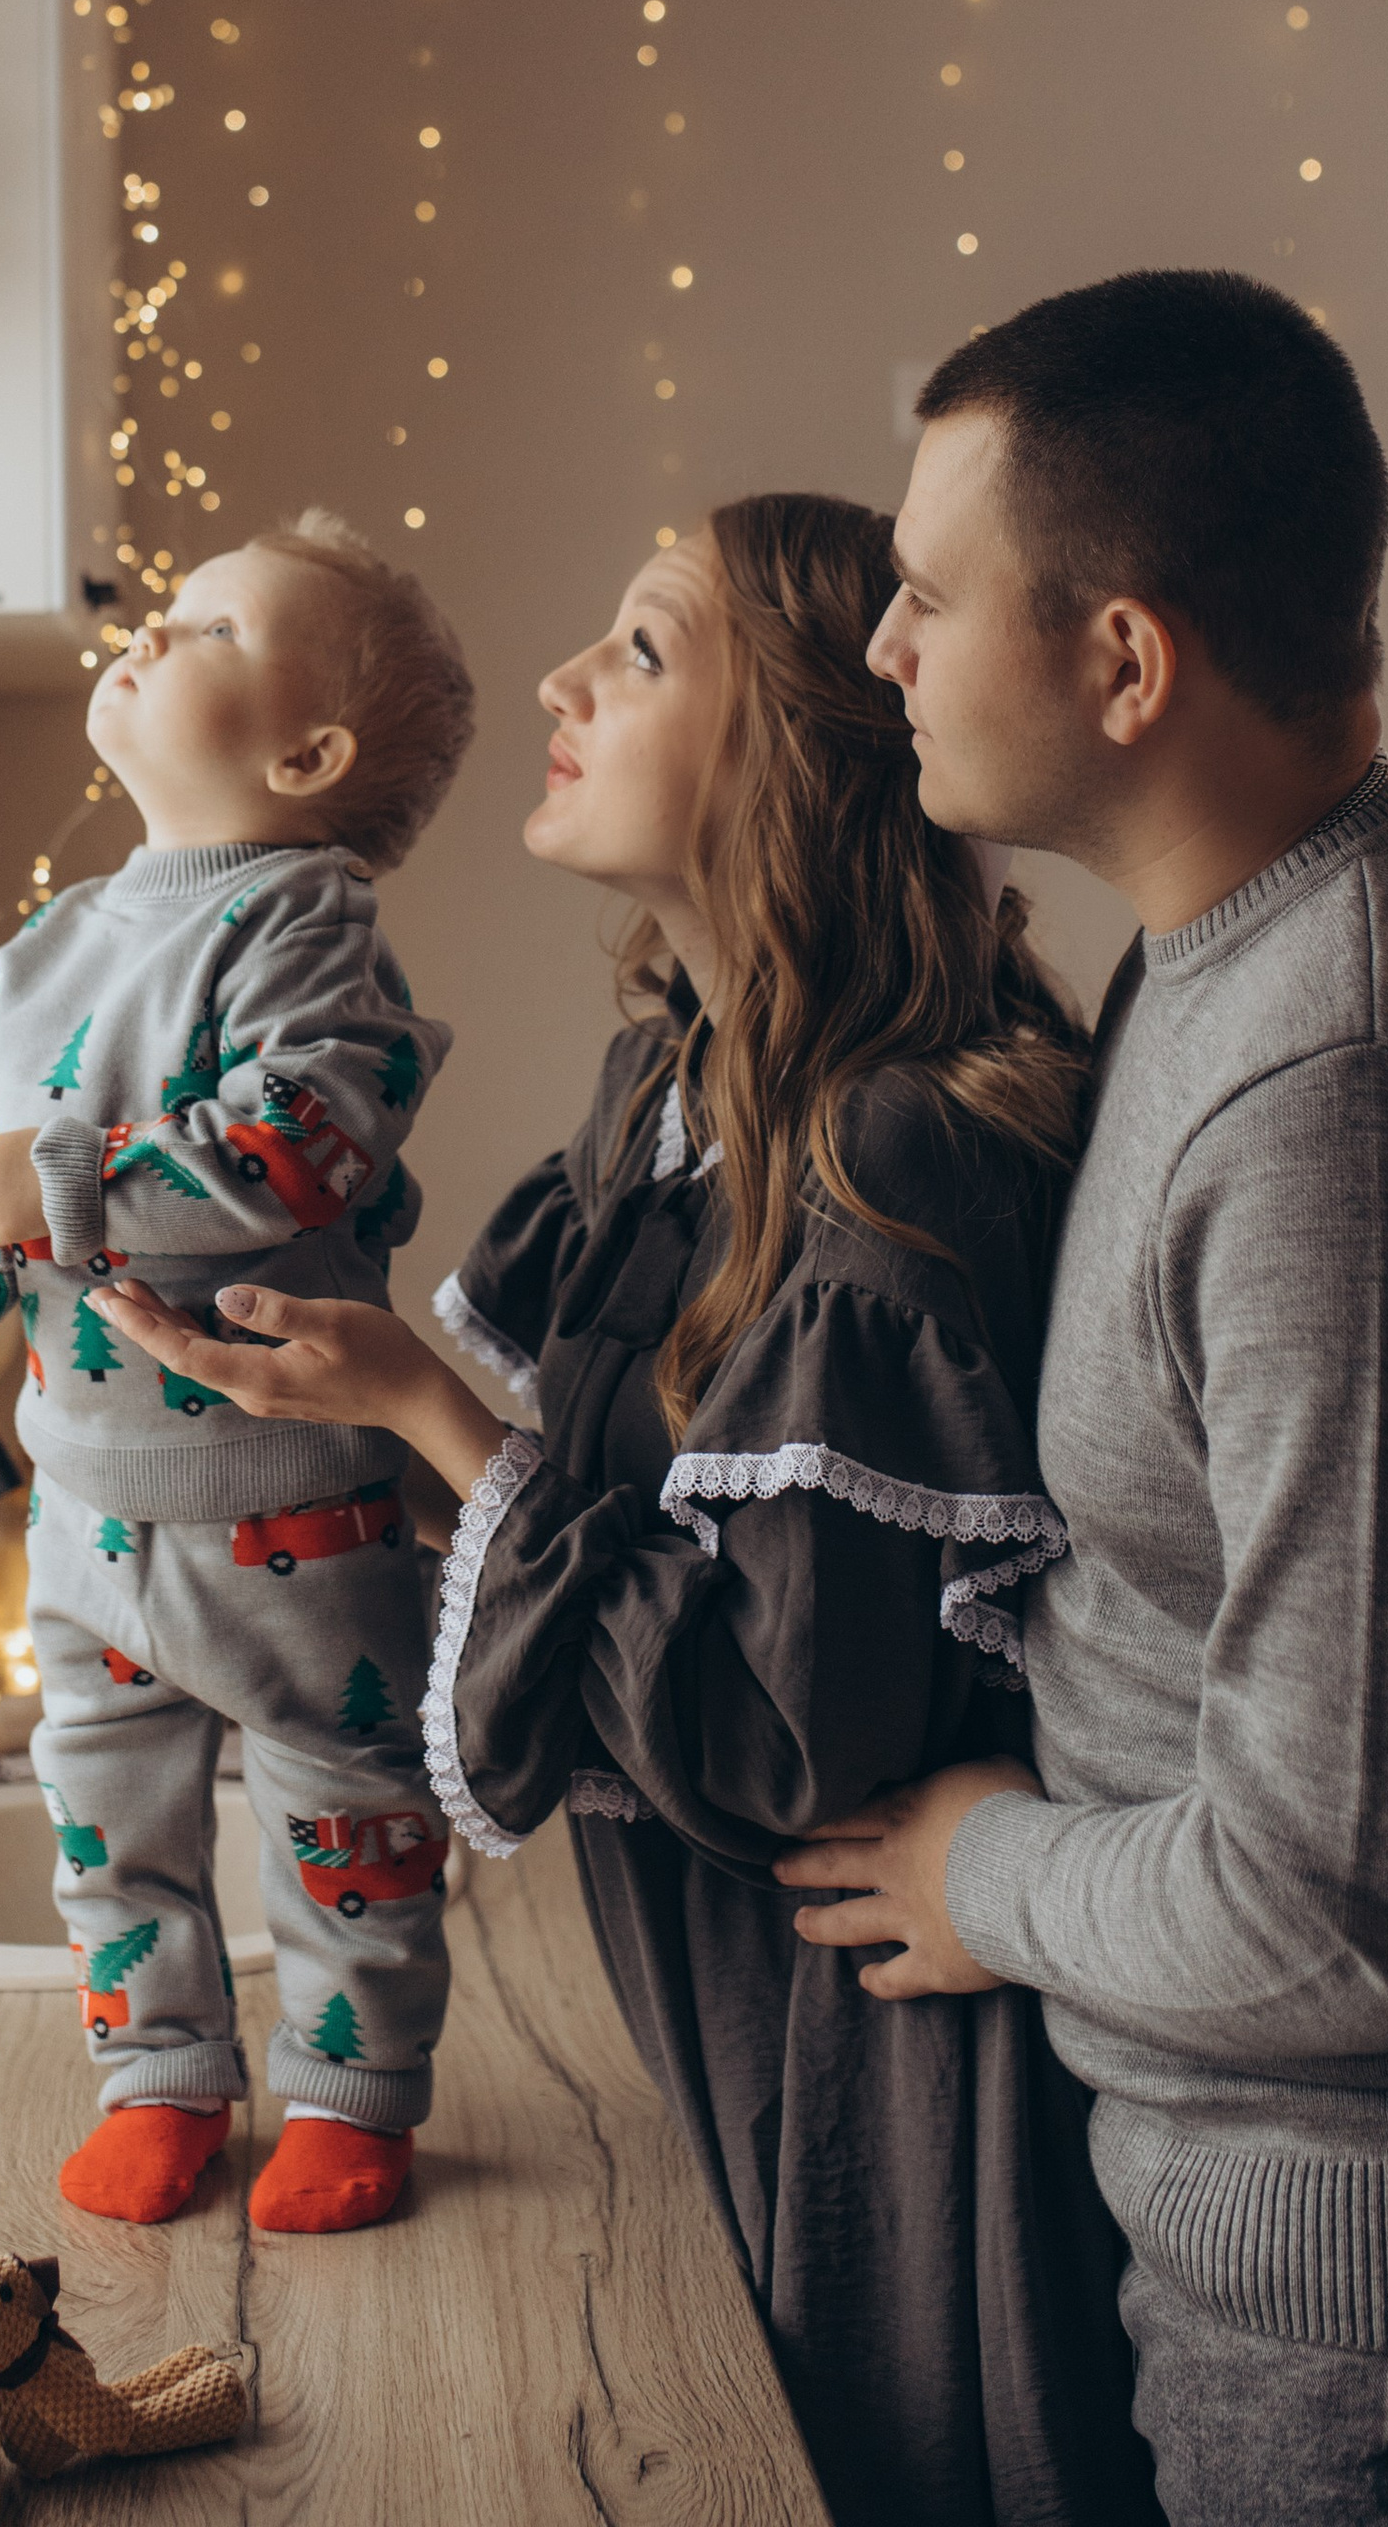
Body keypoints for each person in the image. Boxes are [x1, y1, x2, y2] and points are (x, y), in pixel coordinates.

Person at [99, 495, 1163, 2527]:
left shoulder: (883, 1151)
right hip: (719, 1990)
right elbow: (595, 1528)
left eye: (645, 653)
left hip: (872, 2040)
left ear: (802, 754)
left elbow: (774, 1730)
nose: (566, 688)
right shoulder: (665, 1094)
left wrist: (416, 1402)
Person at [787, 269, 1388, 2524]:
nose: (879, 649)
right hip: (1298, 2278)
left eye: (923, 592)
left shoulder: (1354, 1106)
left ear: (1118, 659)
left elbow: (1365, 1912)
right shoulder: (1227, 952)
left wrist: (989, 1875)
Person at [0, 509, 476, 2239]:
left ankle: (354, 2095)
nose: (149, 632)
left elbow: (294, 1153)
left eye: (207, 630)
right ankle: (165, 2080)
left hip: (286, 1504)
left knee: (345, 1816)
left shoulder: (305, 919)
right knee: (106, 1826)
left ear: (308, 753)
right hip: (85, 1509)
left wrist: (40, 1187)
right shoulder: (54, 942)